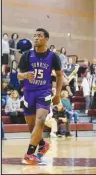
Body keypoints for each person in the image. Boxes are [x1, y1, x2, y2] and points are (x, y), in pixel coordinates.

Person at [17, 28, 63, 164]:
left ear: (46, 39)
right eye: (35, 36)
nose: (36, 38)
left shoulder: (53, 57)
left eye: (39, 36)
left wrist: (58, 94)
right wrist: (24, 75)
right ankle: (43, 144)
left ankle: (29, 154)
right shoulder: (27, 55)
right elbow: (19, 74)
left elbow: (60, 75)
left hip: (44, 92)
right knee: (32, 127)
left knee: (41, 120)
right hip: (29, 92)